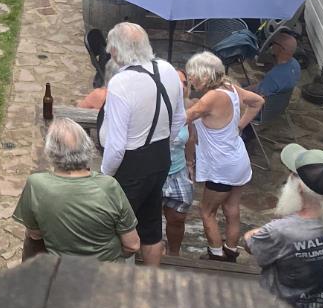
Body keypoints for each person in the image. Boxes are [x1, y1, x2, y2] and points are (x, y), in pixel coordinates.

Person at [98, 22, 186, 266]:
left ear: (117, 50)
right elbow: (179, 118)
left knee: (117, 229)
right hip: (160, 157)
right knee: (151, 225)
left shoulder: (121, 83)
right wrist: (163, 144)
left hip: (131, 164)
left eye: (111, 48)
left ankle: (119, 281)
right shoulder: (168, 69)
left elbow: (116, 145)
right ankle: (150, 281)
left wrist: (104, 176)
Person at [244, 144, 323, 308]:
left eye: (292, 174)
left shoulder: (280, 231)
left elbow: (251, 245)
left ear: (298, 188)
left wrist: (254, 233)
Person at [13, 119, 140, 262]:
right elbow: (132, 245)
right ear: (88, 148)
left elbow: (35, 234)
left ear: (50, 152)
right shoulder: (109, 187)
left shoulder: (36, 185)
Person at [184, 51, 264, 261]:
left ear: (205, 74)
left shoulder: (211, 97)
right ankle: (231, 250)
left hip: (221, 168)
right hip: (238, 161)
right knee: (231, 207)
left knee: (206, 211)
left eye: (193, 74)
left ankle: (216, 255)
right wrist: (239, 125)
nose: (190, 78)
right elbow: (257, 101)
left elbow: (183, 118)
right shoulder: (231, 88)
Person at [162, 121, 193, 256]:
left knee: (177, 218)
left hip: (178, 170)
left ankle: (174, 255)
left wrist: (190, 162)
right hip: (150, 171)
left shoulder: (186, 112)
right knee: (148, 218)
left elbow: (191, 137)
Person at [253, 32, 302, 100]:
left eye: (274, 43)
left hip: (265, 103)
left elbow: (258, 96)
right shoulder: (296, 65)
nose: (272, 45)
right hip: (280, 101)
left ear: (280, 49)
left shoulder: (273, 76)